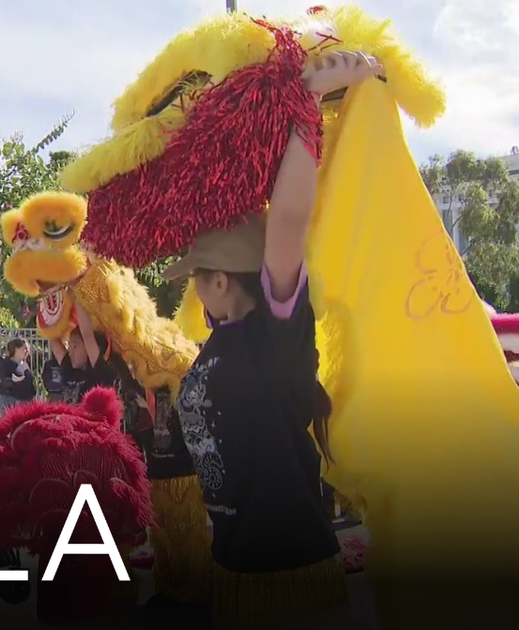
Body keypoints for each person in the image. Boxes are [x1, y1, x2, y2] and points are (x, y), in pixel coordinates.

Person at [160, 52, 382, 626]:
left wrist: (304, 105)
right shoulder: (219, 342)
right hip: (234, 574)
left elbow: (286, 221)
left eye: (195, 278)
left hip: (291, 576)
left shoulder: (275, 332)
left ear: (217, 280)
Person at [0, 338, 36, 410]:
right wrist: (12, 380)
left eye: (28, 349)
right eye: (24, 348)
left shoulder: (25, 365)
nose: (27, 351)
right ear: (16, 349)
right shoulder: (6, 364)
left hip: (26, 402)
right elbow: (0, 381)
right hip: (11, 401)